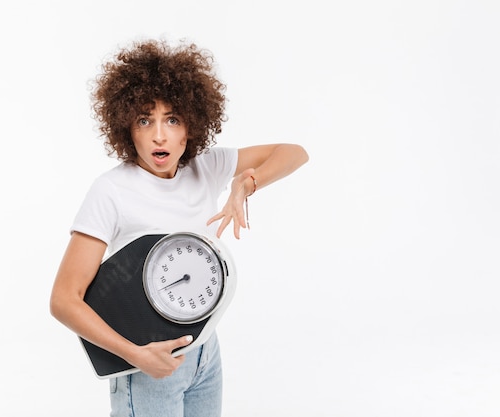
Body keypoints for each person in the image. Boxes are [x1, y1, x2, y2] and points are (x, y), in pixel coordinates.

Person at [50, 38, 309, 417]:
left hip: (206, 351)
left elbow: (294, 152)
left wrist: (246, 183)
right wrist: (136, 356)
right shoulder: (111, 191)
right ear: (126, 128)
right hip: (147, 361)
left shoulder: (207, 168)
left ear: (191, 125)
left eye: (172, 119)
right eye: (144, 120)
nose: (159, 135)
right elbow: (64, 299)